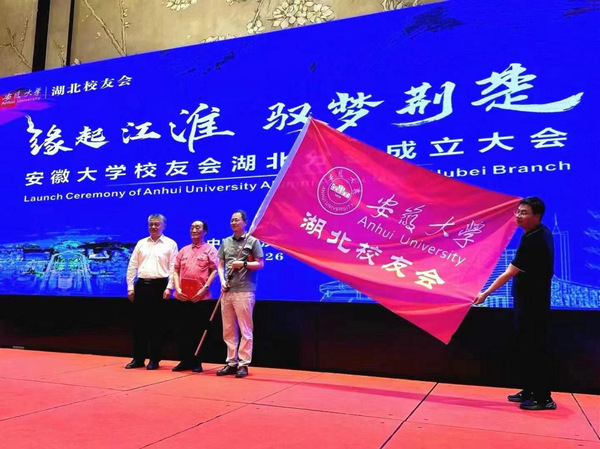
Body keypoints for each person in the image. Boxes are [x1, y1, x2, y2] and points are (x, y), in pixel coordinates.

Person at [474, 197, 556, 410]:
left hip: (533, 305)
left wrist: (485, 293)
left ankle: (543, 398)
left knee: (535, 349)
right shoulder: (537, 233)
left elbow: (509, 272)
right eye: (518, 211)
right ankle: (529, 390)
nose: (518, 216)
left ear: (537, 216)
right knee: (526, 348)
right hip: (526, 301)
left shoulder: (535, 239)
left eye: (524, 212)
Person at [125, 214, 178, 370]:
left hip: (160, 286)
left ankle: (154, 359)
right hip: (141, 285)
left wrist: (169, 287)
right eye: (151, 224)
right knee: (139, 325)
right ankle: (138, 359)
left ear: (163, 226)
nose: (153, 227)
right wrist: (130, 286)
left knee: (157, 325)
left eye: (157, 224)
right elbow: (132, 265)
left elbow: (173, 268)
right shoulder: (141, 243)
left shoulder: (170, 244)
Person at [216, 210, 264, 378]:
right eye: (232, 220)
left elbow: (260, 263)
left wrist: (243, 264)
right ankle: (231, 362)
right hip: (227, 290)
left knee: (245, 329)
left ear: (245, 222)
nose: (233, 222)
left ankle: (243, 364)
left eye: (236, 220)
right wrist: (222, 281)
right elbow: (220, 265)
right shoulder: (225, 242)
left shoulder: (252, 241)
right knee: (228, 329)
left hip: (244, 290)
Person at [171, 220, 219, 372]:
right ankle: (184, 360)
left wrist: (204, 289)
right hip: (182, 296)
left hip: (200, 298)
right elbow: (175, 270)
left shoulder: (210, 250)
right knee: (182, 330)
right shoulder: (183, 250)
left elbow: (215, 270)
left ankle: (197, 362)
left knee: (198, 331)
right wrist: (177, 288)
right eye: (192, 227)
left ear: (205, 231)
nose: (194, 230)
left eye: (198, 227)